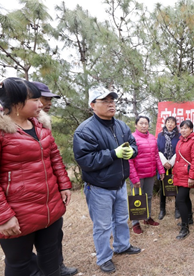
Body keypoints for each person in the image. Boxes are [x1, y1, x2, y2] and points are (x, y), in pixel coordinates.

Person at [0, 77, 72, 276]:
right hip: (18, 214)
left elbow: (54, 156)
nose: (41, 104)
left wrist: (64, 185)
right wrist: (3, 216)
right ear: (16, 102)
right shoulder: (0, 131)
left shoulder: (40, 126)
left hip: (50, 209)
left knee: (51, 262)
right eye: (35, 100)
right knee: (19, 266)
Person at [73, 86, 141, 274]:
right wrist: (113, 153)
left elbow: (133, 144)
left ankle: (122, 245)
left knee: (121, 219)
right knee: (102, 225)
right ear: (92, 105)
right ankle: (104, 257)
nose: (111, 104)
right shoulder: (85, 130)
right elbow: (86, 160)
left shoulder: (120, 125)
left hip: (119, 183)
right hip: (99, 187)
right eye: (105, 101)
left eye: (112, 100)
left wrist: (131, 152)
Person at [30, 81, 78, 276]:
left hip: (50, 193)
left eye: (50, 99)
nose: (47, 103)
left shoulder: (43, 123)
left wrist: (64, 185)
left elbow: (55, 157)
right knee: (21, 249)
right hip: (27, 196)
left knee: (54, 234)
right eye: (43, 98)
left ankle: (57, 266)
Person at [129, 115, 165, 234]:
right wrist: (134, 178)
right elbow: (129, 160)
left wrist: (161, 170)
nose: (144, 125)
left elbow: (156, 156)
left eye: (146, 123)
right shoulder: (131, 138)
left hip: (149, 173)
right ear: (136, 125)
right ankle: (135, 223)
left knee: (148, 196)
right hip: (137, 174)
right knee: (136, 198)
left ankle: (147, 217)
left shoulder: (152, 138)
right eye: (141, 123)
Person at [172, 120, 194, 240]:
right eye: (182, 128)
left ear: (191, 129)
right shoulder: (180, 141)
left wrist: (191, 176)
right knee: (185, 198)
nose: (183, 130)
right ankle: (189, 218)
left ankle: (185, 228)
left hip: (187, 174)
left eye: (186, 128)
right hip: (179, 173)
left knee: (179, 200)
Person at [157, 116, 181, 220]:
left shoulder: (179, 136)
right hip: (163, 164)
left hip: (175, 164)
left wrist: (171, 162)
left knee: (175, 186)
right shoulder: (160, 135)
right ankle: (162, 209)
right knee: (163, 187)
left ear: (175, 125)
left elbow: (179, 149)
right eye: (168, 122)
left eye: (172, 122)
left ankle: (177, 209)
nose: (170, 124)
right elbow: (157, 149)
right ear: (165, 123)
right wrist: (164, 162)